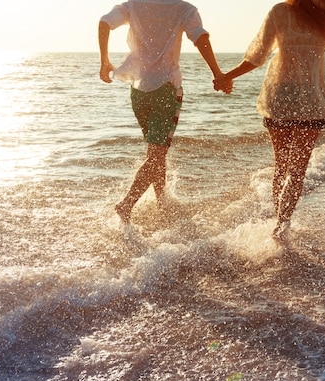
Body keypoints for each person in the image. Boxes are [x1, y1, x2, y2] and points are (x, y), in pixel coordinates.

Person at [213, 0, 325, 241]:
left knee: (290, 168)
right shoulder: (282, 11)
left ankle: (280, 225)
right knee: (288, 167)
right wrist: (228, 75)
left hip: (299, 97)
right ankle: (281, 225)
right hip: (289, 96)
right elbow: (258, 55)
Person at [99, 0, 232, 224]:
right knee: (157, 154)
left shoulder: (134, 5)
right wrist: (218, 73)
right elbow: (201, 38)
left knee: (155, 152)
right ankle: (126, 204)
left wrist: (104, 61)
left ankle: (161, 201)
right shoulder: (183, 9)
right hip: (166, 89)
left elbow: (104, 23)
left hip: (138, 90)